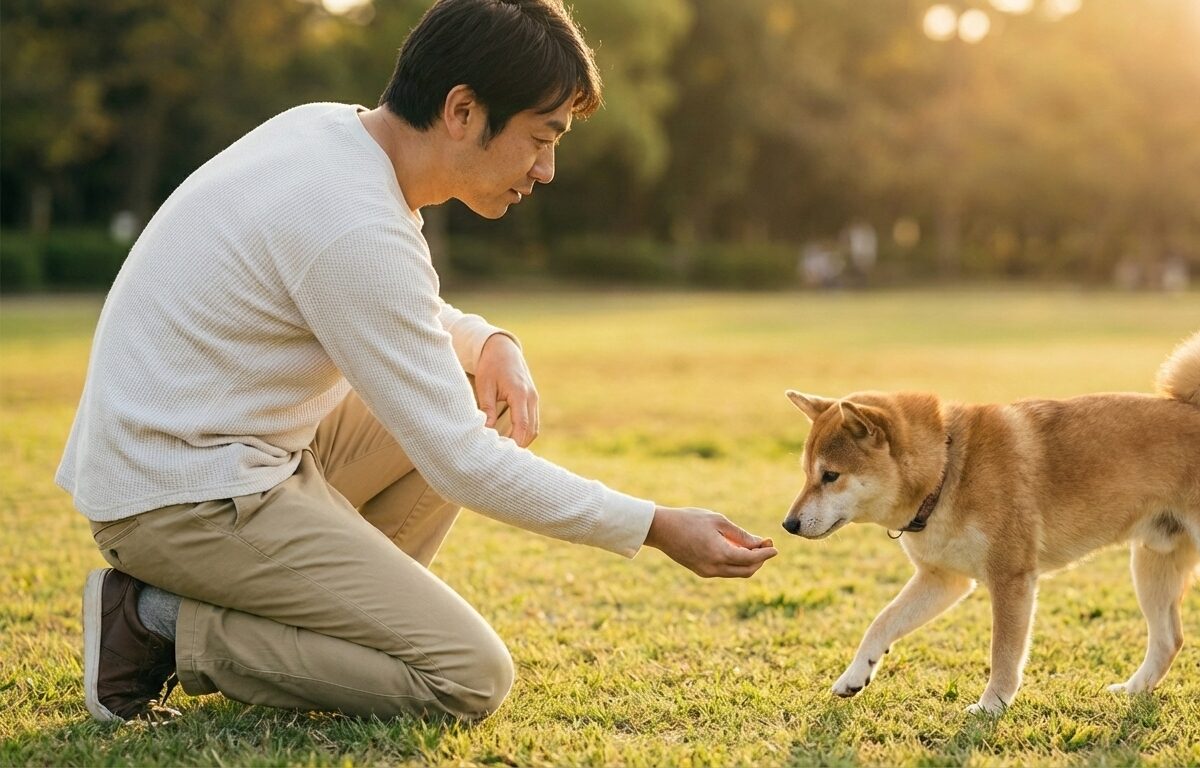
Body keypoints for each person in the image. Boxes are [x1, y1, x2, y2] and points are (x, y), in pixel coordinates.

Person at [59, 0, 778, 724]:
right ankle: (154, 623)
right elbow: (460, 457)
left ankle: (325, 633)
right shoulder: (352, 220)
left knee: (458, 387)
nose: (548, 169)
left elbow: (394, 312)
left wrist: (489, 341)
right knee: (467, 676)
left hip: (223, 458)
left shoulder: (334, 138)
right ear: (463, 110)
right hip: (179, 499)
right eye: (541, 137)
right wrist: (654, 524)